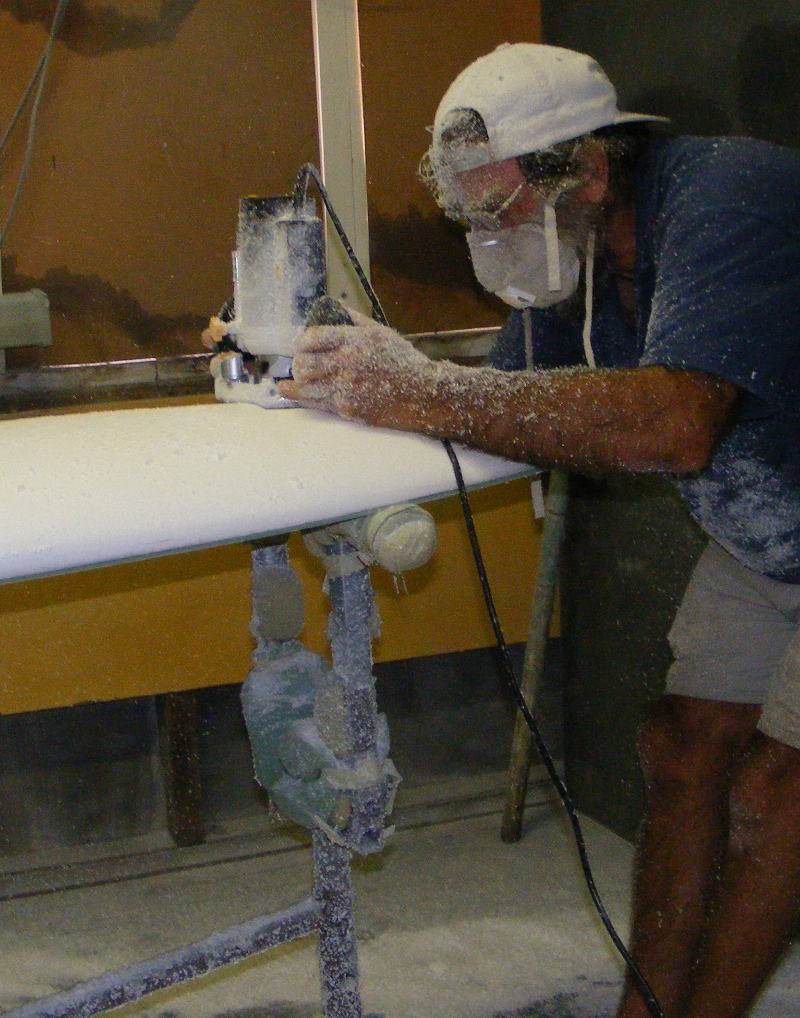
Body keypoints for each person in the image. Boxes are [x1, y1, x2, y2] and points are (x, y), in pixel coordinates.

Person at [274, 43, 800, 1018]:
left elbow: (675, 425)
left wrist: (420, 389)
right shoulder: (584, 259)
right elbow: (510, 403)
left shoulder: (729, 199)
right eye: (470, 213)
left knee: (777, 791)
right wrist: (366, 391)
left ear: (587, 170)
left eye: (500, 208)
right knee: (683, 747)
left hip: (772, 507)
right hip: (769, 532)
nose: (489, 236)